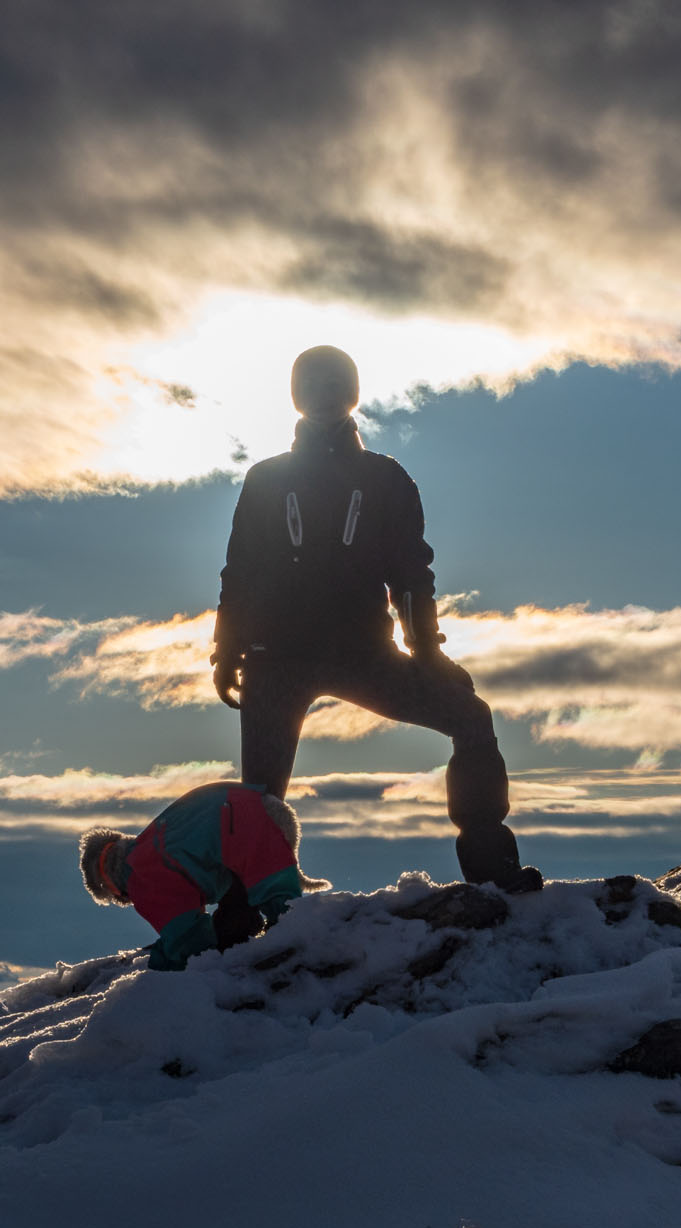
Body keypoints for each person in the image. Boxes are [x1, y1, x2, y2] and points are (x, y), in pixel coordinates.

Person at [211, 345, 538, 892]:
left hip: (364, 654)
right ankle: (247, 912)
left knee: (471, 719)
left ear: (353, 393)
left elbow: (410, 574)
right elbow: (240, 573)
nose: (323, 395)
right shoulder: (265, 480)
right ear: (295, 396)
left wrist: (428, 654)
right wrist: (227, 650)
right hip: (278, 657)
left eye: (334, 383)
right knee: (262, 800)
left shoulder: (385, 478)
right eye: (310, 385)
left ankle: (492, 873)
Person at [78, 781, 325, 970]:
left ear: (107, 886)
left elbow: (190, 939)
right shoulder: (154, 842)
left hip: (240, 821)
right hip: (253, 806)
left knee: (288, 918)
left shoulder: (142, 876)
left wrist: (160, 961)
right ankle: (279, 928)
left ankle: (305, 945)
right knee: (260, 901)